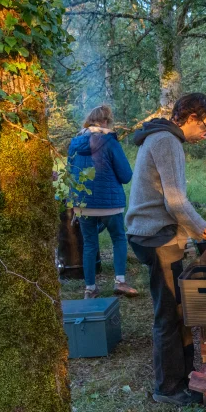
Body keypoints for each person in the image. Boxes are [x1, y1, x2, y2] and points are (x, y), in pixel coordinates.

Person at [126, 93, 206, 405]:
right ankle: (169, 389)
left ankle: (183, 380)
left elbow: (175, 199)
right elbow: (176, 202)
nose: (205, 135)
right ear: (192, 117)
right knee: (169, 313)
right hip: (157, 236)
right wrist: (204, 230)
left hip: (157, 233)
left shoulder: (162, 137)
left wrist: (198, 228)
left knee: (178, 310)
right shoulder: (167, 141)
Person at [68, 105, 138, 300]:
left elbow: (70, 174)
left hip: (82, 203)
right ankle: (120, 282)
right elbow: (125, 176)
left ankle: (90, 289)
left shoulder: (74, 143)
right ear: (106, 121)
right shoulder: (110, 142)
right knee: (118, 238)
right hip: (110, 204)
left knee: (90, 244)